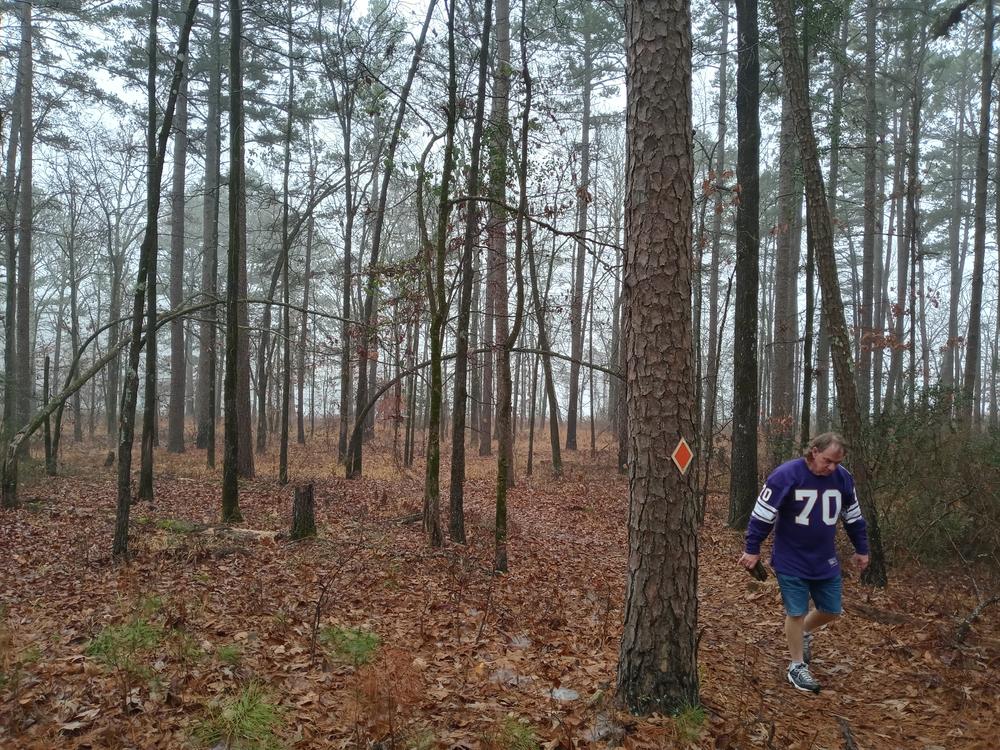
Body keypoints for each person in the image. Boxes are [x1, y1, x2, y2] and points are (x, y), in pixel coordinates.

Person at [738, 432, 870, 693]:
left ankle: (803, 632)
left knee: (832, 609)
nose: (832, 467)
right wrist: (752, 549)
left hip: (824, 558)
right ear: (814, 452)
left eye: (837, 462)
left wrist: (861, 549)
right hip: (791, 557)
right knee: (795, 612)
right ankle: (797, 666)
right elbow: (762, 515)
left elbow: (853, 517)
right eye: (828, 461)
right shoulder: (786, 475)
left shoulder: (843, 478)